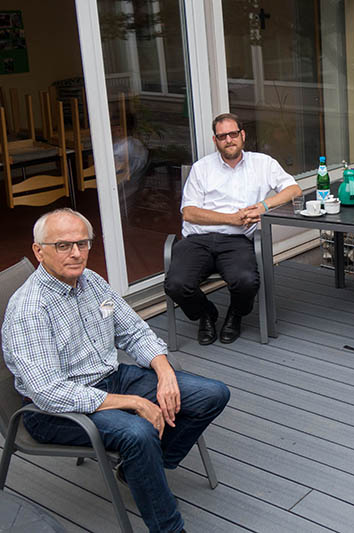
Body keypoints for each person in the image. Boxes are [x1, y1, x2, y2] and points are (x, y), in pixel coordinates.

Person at [2, 208, 230, 533]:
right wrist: (134, 403)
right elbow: (48, 391)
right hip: (52, 409)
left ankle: (138, 468)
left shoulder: (92, 282)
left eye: (83, 243)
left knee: (212, 393)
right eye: (64, 246)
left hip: (113, 379)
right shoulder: (29, 310)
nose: (77, 253)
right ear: (39, 251)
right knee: (138, 433)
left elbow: (133, 331)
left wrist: (164, 373)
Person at [165, 112, 302, 345]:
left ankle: (235, 314)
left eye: (233, 134)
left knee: (247, 281)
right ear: (215, 140)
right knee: (176, 285)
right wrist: (230, 219)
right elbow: (189, 212)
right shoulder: (202, 168)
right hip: (199, 240)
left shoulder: (263, 163)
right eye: (222, 136)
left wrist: (263, 205)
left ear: (243, 135)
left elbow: (294, 190)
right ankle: (206, 313)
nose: (228, 140)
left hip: (237, 241)